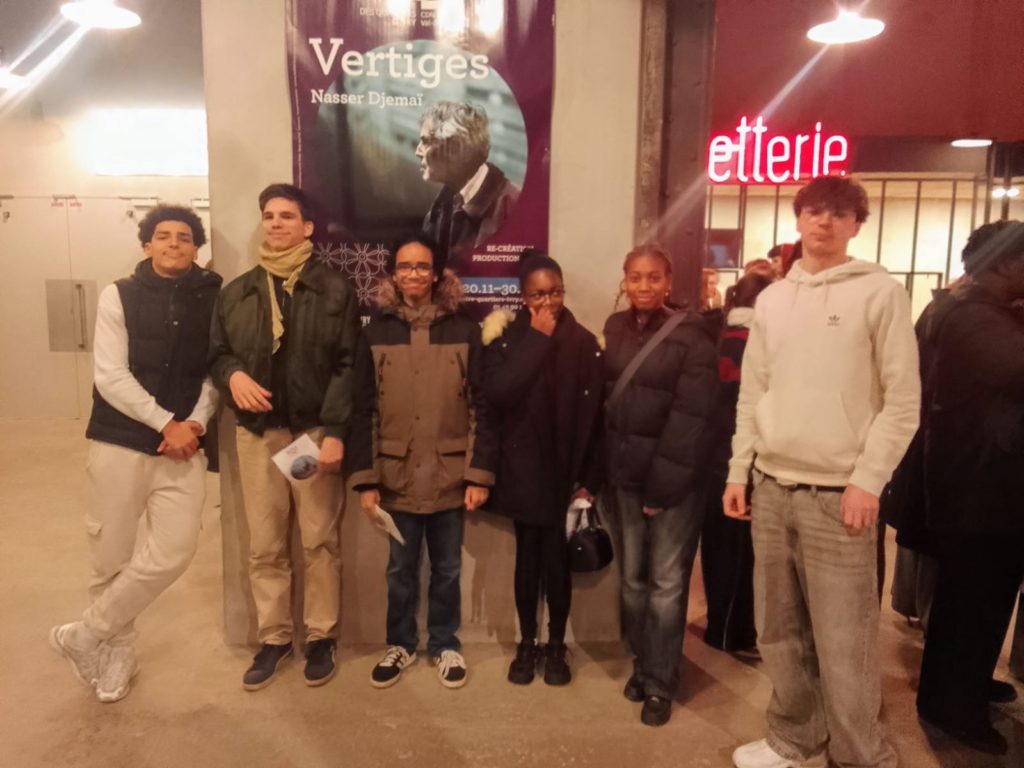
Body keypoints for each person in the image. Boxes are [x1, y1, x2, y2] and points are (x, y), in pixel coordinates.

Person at [724, 175, 920, 768]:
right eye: (813, 210)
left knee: (845, 640)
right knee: (778, 631)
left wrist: (868, 478)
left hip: (839, 496)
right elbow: (753, 393)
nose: (824, 222)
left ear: (856, 224)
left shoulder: (879, 294)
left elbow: (902, 400)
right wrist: (739, 470)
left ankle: (862, 755)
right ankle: (795, 736)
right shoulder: (773, 300)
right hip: (771, 486)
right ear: (798, 219)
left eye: (838, 213)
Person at [50, 205, 221, 703]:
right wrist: (165, 422)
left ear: (197, 247)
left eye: (184, 237)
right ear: (146, 244)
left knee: (174, 551)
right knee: (111, 557)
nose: (174, 244)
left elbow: (216, 369)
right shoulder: (118, 294)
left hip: (183, 447)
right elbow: (110, 374)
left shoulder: (215, 296)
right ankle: (118, 654)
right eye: (163, 236)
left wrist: (194, 423)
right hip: (120, 442)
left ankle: (84, 635)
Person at [209, 183, 359, 691]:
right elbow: (217, 353)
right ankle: (274, 638)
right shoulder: (238, 292)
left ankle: (321, 637)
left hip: (309, 436)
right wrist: (232, 375)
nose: (275, 223)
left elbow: (347, 365)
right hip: (258, 436)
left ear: (307, 227)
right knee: (266, 545)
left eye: (287, 216)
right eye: (269, 215)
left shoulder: (334, 289)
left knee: (319, 540)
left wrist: (335, 432)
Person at [346, 234, 496, 690]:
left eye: (422, 266)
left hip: (451, 476)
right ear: (394, 274)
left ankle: (445, 643)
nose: (414, 274)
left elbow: (482, 406)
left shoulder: (465, 331)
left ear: (436, 275)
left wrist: (478, 475)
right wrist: (366, 480)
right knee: (400, 570)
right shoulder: (375, 333)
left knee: (447, 569)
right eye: (405, 266)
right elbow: (363, 410)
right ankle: (400, 644)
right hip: (396, 476)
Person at [914, 220, 1024, 755]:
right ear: (1003, 266)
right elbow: (1015, 370)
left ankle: (968, 685)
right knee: (970, 603)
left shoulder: (985, 312)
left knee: (980, 600)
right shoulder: (971, 317)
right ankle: (952, 708)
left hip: (989, 484)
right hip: (977, 487)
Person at [602, 244, 719, 726]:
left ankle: (660, 682)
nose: (644, 286)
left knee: (666, 586)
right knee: (633, 582)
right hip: (625, 479)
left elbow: (692, 419)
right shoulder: (615, 328)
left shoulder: (693, 337)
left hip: (674, 486)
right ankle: (642, 662)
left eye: (653, 278)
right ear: (625, 280)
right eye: (635, 277)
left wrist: (662, 490)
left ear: (668, 282)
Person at [481, 251, 604, 686]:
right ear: (523, 296)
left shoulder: (584, 341)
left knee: (556, 563)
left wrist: (589, 479)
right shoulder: (506, 336)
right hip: (522, 470)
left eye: (554, 292)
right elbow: (498, 393)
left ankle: (555, 645)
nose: (548, 301)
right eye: (537, 294)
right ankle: (526, 642)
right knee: (527, 561)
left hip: (565, 472)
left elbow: (596, 416)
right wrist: (537, 339)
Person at [700, 272, 773, 654]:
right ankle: (734, 632)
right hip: (743, 457)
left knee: (718, 548)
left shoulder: (718, 334)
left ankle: (721, 627)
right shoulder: (756, 342)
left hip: (712, 455)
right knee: (741, 554)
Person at [417, 101, 520, 272]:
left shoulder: (513, 206)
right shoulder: (437, 212)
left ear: (456, 148)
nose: (418, 151)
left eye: (425, 141)